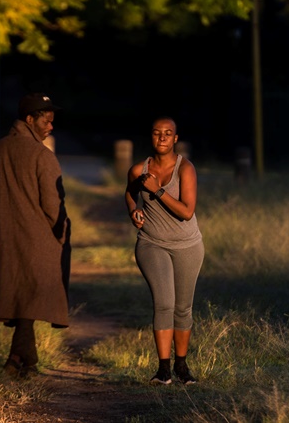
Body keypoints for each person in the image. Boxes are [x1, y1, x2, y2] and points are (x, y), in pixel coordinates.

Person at [0, 92, 71, 379]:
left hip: (7, 237)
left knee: (22, 297)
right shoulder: (43, 156)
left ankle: (24, 360)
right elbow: (52, 204)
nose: (50, 127)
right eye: (46, 121)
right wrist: (62, 235)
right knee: (31, 296)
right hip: (41, 238)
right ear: (29, 120)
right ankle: (19, 359)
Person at [124, 116, 204, 386]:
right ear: (151, 136)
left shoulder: (186, 169)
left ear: (175, 138)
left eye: (167, 134)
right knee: (164, 303)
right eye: (157, 133)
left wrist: (157, 191)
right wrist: (133, 210)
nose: (161, 138)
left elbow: (186, 211)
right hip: (152, 243)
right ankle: (163, 370)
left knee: (183, 308)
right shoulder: (139, 170)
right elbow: (129, 193)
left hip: (188, 245)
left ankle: (182, 366)